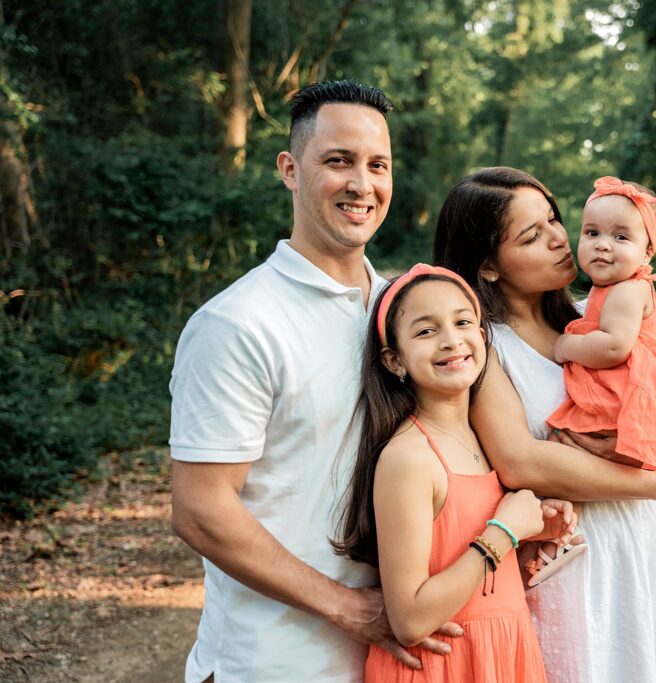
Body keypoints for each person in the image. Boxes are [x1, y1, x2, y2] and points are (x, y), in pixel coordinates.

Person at [169, 81, 459, 683]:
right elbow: (201, 511)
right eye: (338, 161)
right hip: (273, 663)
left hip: (393, 662)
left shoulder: (401, 311)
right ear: (290, 169)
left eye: (377, 165)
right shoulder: (237, 323)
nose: (362, 184)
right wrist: (348, 607)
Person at [434, 167, 656, 682]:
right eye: (532, 235)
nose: (560, 238)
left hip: (643, 546)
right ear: (488, 265)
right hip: (574, 566)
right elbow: (520, 459)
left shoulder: (598, 320)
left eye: (555, 219)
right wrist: (654, 482)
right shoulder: (484, 347)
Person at [335, 264, 578, 681]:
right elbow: (410, 619)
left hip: (502, 655)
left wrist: (531, 528)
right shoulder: (409, 457)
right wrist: (503, 531)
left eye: (463, 322)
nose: (451, 340)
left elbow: (459, 548)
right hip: (444, 665)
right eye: (426, 331)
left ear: (483, 336)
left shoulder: (484, 443)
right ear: (395, 361)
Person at [548, 176, 656, 551]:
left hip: (634, 381)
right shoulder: (612, 286)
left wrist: (567, 346)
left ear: (647, 253)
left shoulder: (626, 290)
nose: (603, 245)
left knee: (576, 440)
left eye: (621, 237)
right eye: (592, 233)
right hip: (651, 379)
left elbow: (614, 348)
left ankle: (564, 528)